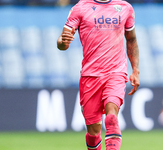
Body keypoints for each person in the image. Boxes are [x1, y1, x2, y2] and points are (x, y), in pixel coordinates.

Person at [57, 0, 140, 149]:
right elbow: (62, 42)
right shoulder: (80, 7)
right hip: (90, 76)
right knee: (93, 132)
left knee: (111, 115)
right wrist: (63, 41)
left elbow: (131, 39)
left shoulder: (125, 8)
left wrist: (135, 70)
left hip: (116, 72)